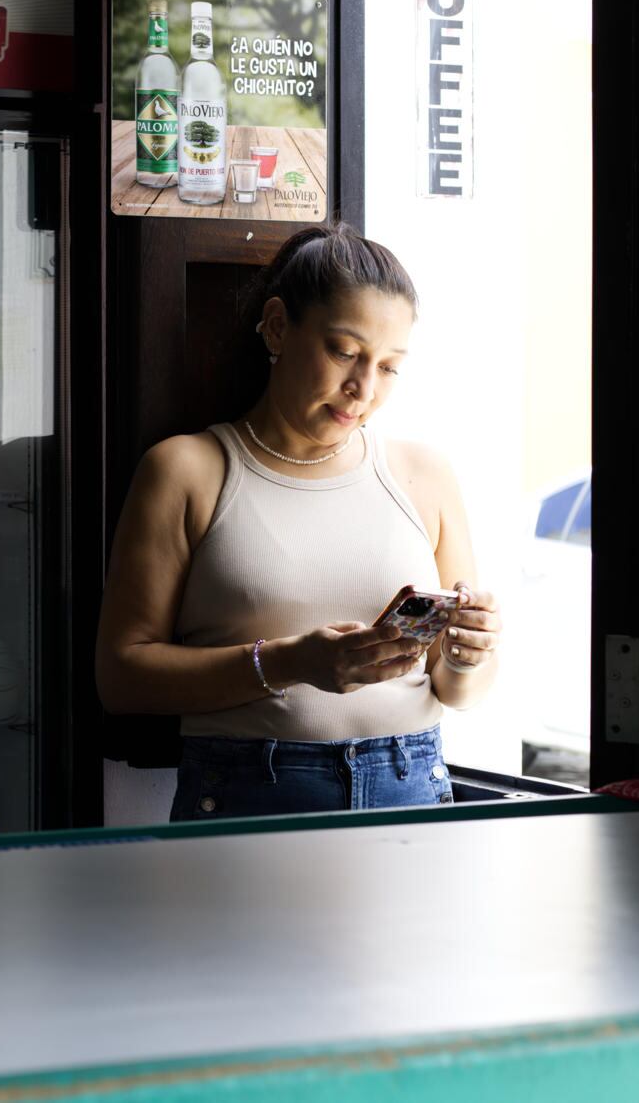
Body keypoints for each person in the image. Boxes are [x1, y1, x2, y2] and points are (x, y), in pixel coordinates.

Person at [95, 223, 503, 819]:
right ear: (280, 326)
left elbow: (456, 690)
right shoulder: (188, 470)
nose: (363, 388)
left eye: (389, 367)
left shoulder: (424, 473)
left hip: (411, 783)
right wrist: (290, 663)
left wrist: (470, 654)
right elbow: (122, 678)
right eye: (344, 352)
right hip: (247, 793)